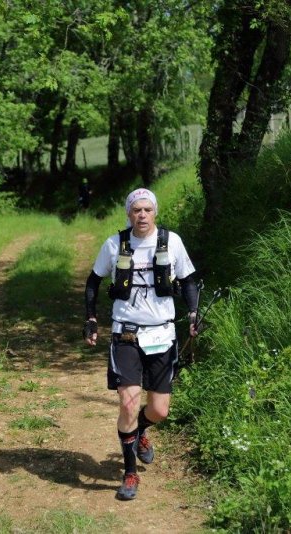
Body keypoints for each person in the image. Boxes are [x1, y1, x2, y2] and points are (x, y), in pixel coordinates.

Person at [83, 188, 199, 501]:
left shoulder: (171, 242)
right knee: (128, 404)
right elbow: (93, 281)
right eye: (137, 210)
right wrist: (91, 318)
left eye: (147, 209)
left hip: (162, 335)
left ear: (155, 212)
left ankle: (141, 430)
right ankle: (130, 472)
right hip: (126, 334)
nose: (142, 215)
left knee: (159, 410)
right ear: (129, 214)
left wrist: (192, 313)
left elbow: (188, 280)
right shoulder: (114, 244)